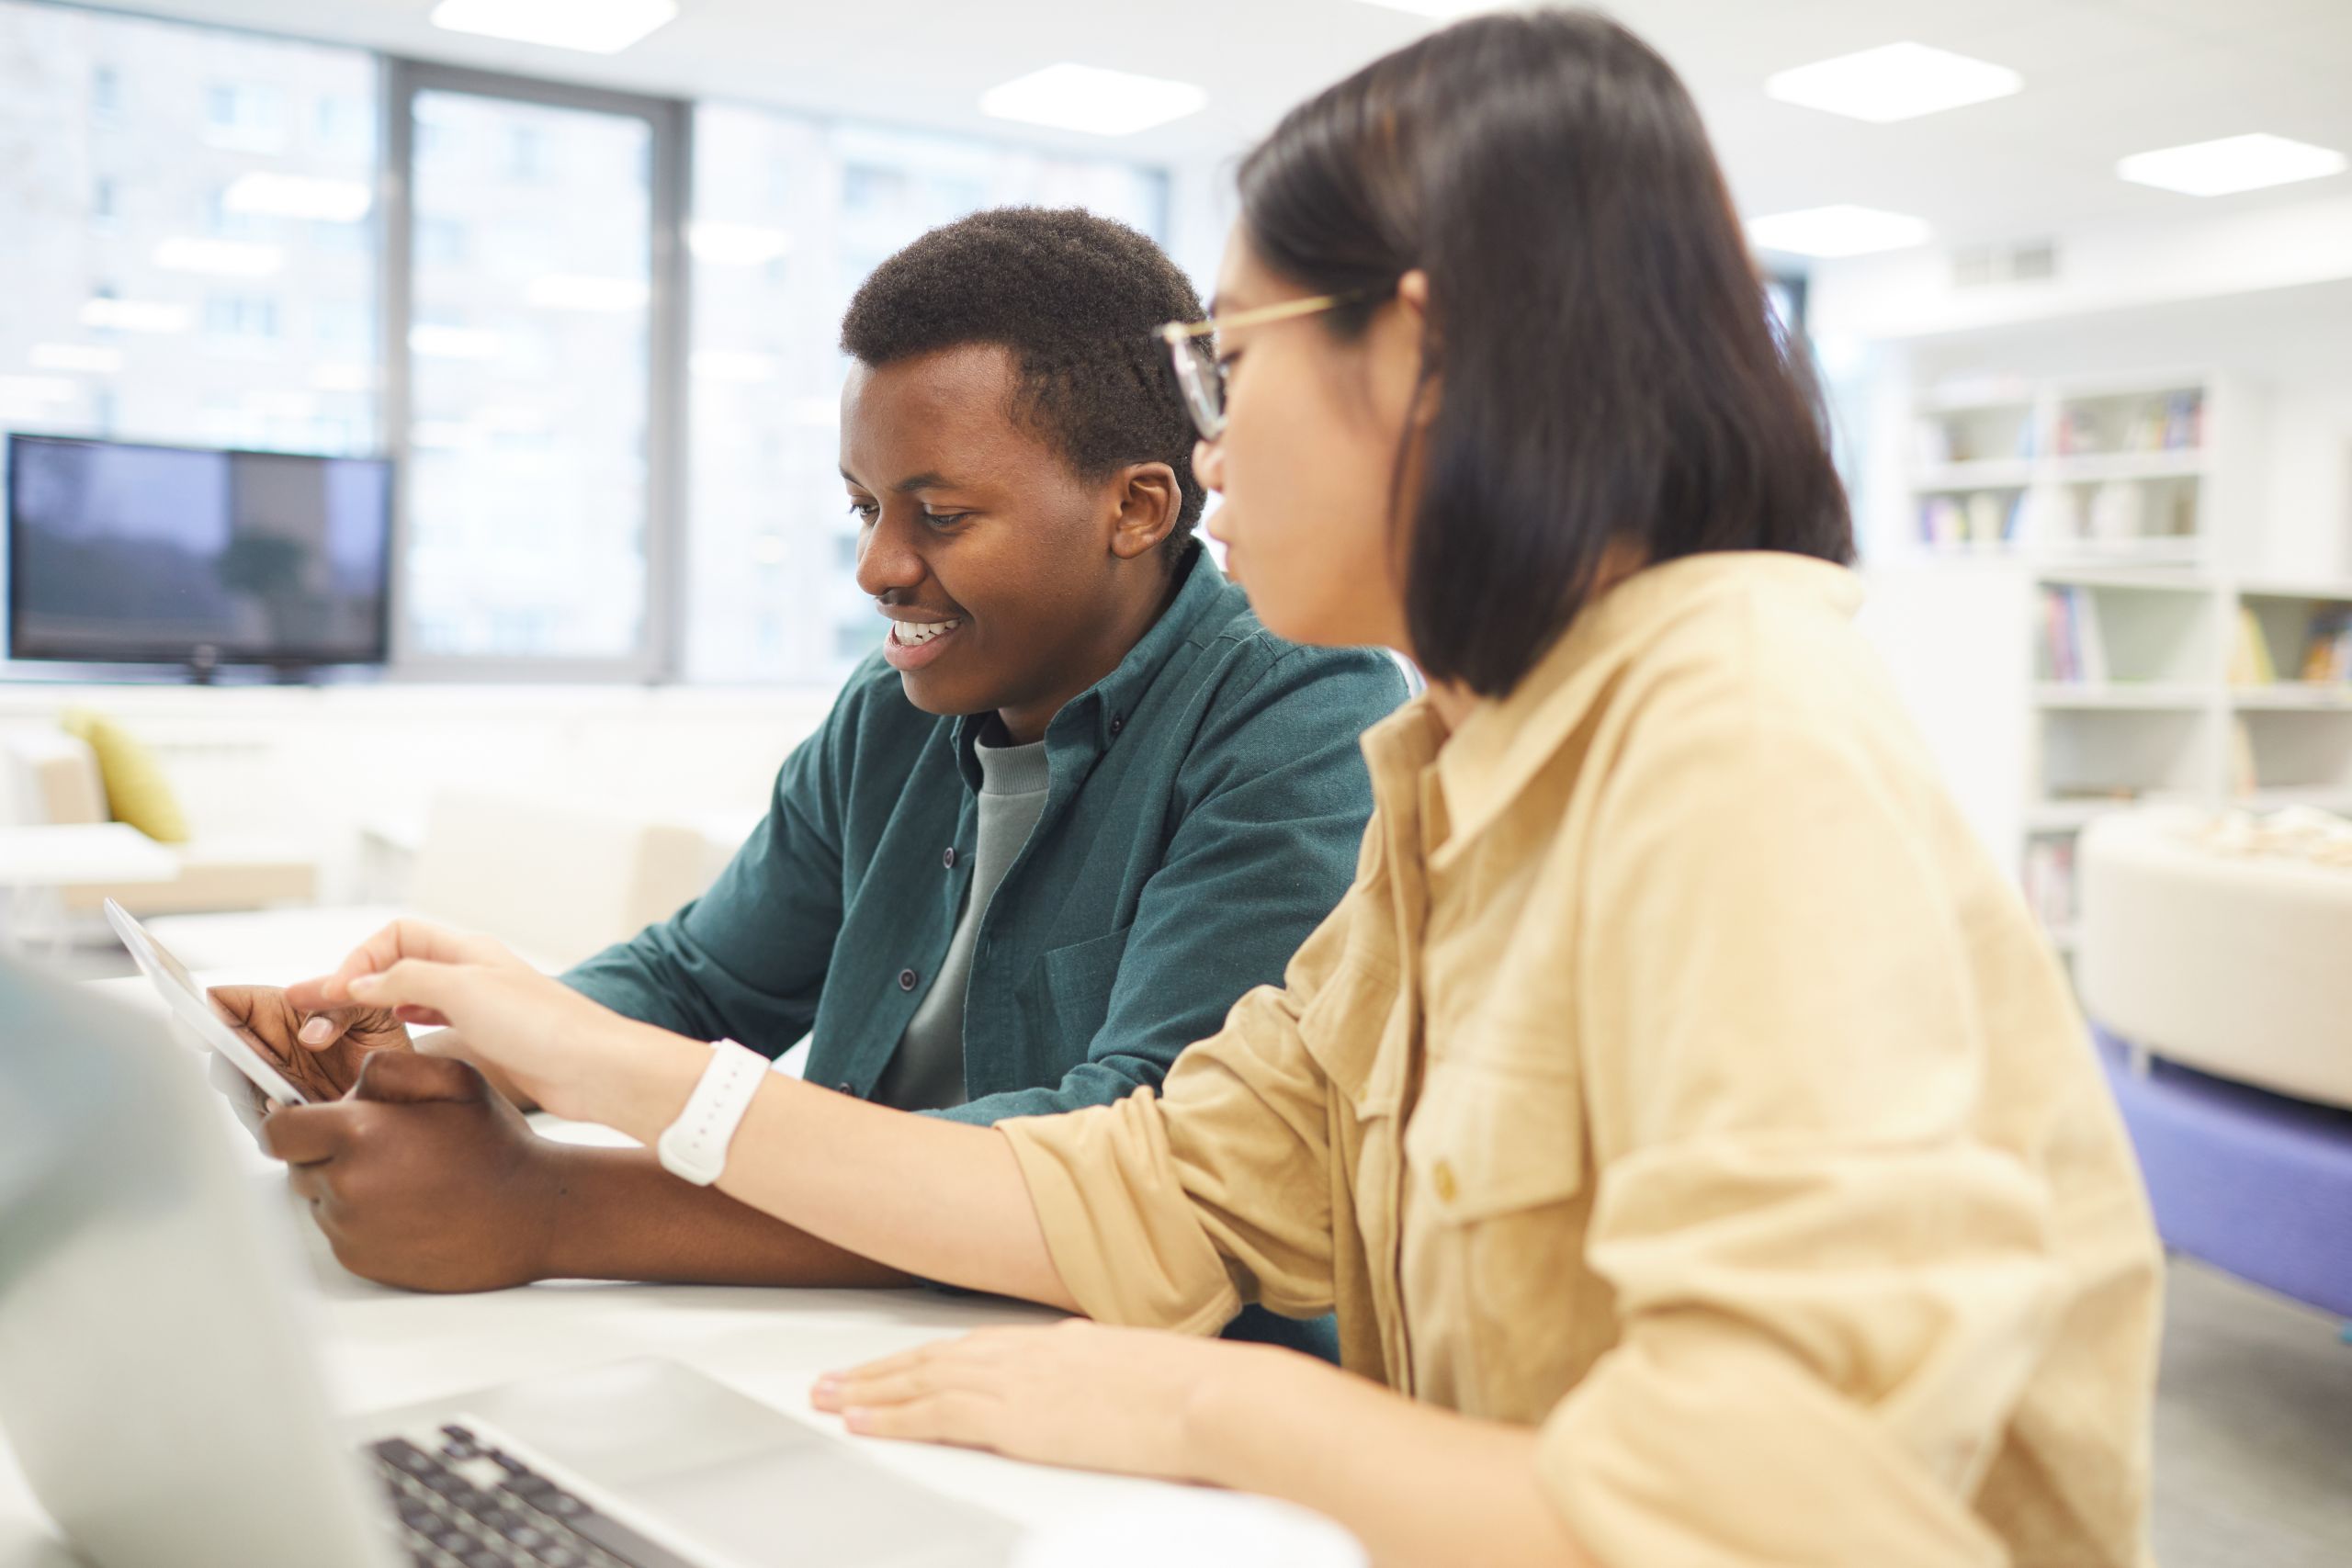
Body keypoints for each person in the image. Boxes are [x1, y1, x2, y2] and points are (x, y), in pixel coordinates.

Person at [266, 11, 2163, 1565]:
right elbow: (1168, 1179)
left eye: (1227, 357)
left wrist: (1217, 1405)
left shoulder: (1730, 731)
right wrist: (594, 1063)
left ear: (1411, 350)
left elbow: (1779, 1521)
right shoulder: (1473, 763)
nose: (1209, 425)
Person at [225, 208, 1406, 1365]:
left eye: (939, 515)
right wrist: (449, 1061)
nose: (878, 567)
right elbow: (703, 975)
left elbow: (1131, 1169)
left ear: (1137, 508)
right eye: (864, 505)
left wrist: (548, 1206)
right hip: (858, 1337)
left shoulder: (1299, 710)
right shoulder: (892, 708)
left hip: (1142, 1382)